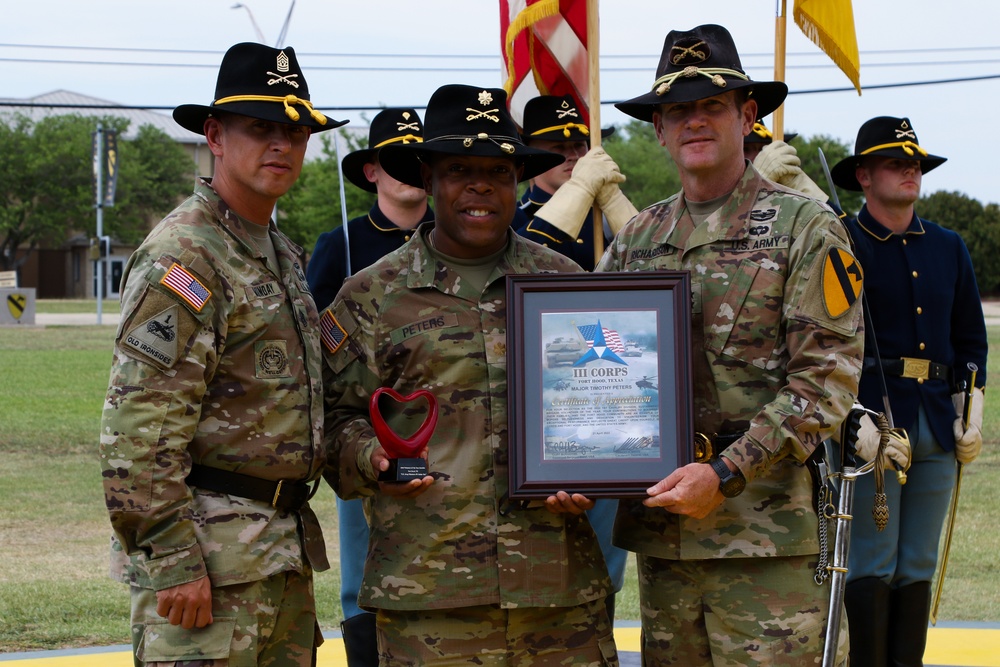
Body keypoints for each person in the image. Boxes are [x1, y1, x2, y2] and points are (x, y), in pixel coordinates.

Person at [322, 83, 619, 665]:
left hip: (557, 597)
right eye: (460, 169)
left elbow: (610, 407)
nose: (481, 186)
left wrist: (595, 472)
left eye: (499, 170)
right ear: (430, 178)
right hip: (428, 598)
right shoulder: (370, 296)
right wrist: (371, 459)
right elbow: (331, 422)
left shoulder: (569, 286)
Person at [601, 24, 864, 665]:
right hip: (666, 542)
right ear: (658, 128)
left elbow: (823, 383)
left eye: (711, 105)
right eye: (677, 110)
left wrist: (725, 473)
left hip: (765, 544)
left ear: (747, 117)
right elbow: (589, 373)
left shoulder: (807, 227)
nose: (694, 121)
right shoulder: (637, 239)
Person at [98, 42, 345, 666]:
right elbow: (139, 428)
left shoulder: (274, 249)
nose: (281, 146)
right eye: (260, 129)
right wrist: (173, 559)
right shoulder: (187, 256)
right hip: (208, 567)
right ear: (214, 134)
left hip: (276, 554)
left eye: (295, 131)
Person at [829, 116, 988, 667]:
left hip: (935, 420)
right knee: (873, 562)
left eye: (914, 161)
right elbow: (824, 336)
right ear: (864, 176)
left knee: (918, 561)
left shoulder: (948, 247)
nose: (909, 170)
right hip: (872, 423)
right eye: (895, 162)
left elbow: (970, 336)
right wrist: (850, 412)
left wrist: (972, 402)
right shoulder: (841, 244)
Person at [306, 107, 433, 667]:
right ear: (372, 172)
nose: (407, 170)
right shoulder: (343, 244)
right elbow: (313, 343)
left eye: (417, 158)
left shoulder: (459, 240)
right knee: (367, 575)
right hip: (371, 436)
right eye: (393, 159)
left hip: (451, 435)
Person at [510, 93, 631, 622]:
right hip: (545, 415)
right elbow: (529, 264)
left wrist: (609, 199)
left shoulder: (606, 217)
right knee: (542, 567)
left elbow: (661, 267)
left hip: (612, 406)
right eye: (556, 146)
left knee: (605, 567)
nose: (571, 153)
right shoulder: (516, 221)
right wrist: (583, 189)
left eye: (579, 144)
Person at [513, 94, 637, 271]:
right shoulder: (515, 216)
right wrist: (580, 187)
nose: (574, 156)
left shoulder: (602, 214)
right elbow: (518, 259)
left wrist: (613, 199)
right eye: (559, 148)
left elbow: (652, 259)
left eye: (579, 146)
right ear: (534, 157)